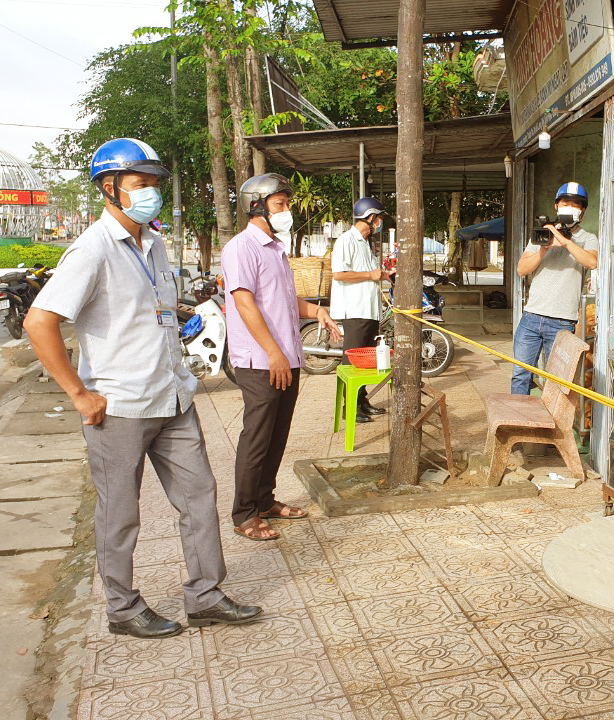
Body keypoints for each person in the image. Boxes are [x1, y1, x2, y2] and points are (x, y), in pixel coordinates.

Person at [24, 138, 261, 638]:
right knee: (121, 513)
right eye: (140, 183)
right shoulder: (92, 250)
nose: (151, 192)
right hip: (120, 407)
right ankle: (123, 607)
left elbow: (143, 312)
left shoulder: (153, 246)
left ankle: (205, 595)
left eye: (155, 182)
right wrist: (78, 393)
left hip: (172, 396)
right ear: (110, 189)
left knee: (199, 497)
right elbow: (39, 322)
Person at [221, 174, 343, 541]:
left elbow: (283, 300)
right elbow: (244, 303)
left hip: (286, 356)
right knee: (257, 436)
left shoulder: (275, 248)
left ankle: (265, 500)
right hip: (260, 360)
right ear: (257, 206)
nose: (287, 210)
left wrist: (316, 311)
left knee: (277, 436)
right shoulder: (241, 248)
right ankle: (244, 513)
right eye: (280, 204)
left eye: (287, 204)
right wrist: (273, 352)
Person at [512, 182, 599, 394]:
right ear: (556, 206)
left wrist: (566, 242)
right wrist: (545, 247)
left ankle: (551, 426)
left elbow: (591, 262)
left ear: (583, 211)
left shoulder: (587, 238)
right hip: (531, 316)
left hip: (562, 321)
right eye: (566, 202)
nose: (570, 207)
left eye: (576, 204)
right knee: (521, 375)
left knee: (557, 382)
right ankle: (518, 423)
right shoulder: (542, 234)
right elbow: (522, 269)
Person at [329, 197, 395, 422]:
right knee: (352, 362)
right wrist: (370, 275)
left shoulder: (365, 244)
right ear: (369, 217)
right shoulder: (346, 240)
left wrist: (384, 275)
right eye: (379, 218)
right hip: (355, 311)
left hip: (369, 311)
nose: (380, 223)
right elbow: (339, 274)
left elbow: (370, 274)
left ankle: (361, 401)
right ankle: (350, 407)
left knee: (366, 361)